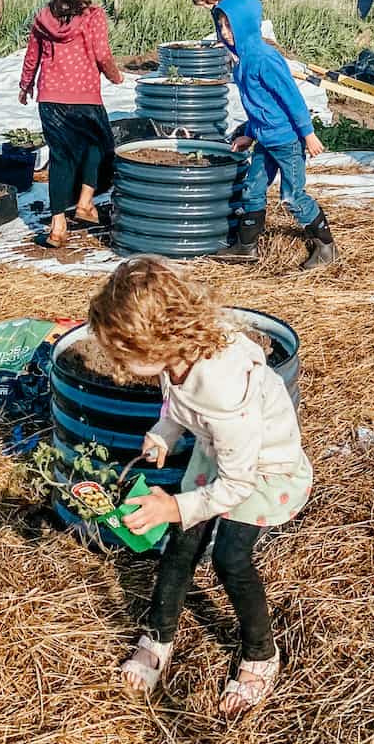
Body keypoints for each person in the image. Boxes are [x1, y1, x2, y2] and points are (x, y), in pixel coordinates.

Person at [89, 256, 312, 717]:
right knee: (182, 544)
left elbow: (237, 483)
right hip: (221, 456)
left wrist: (174, 506)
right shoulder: (178, 358)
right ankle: (159, 635)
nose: (119, 364)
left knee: (231, 558)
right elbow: (176, 404)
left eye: (123, 351)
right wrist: (164, 434)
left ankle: (260, 654)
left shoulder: (224, 391)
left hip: (262, 470)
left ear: (157, 339)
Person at [212, 0, 339, 271]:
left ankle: (326, 247)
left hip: (288, 141)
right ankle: (246, 247)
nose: (224, 32)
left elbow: (291, 98)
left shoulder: (264, 59)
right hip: (265, 140)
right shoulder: (241, 63)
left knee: (293, 196)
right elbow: (260, 107)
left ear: (245, 25)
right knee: (253, 188)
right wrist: (249, 133)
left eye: (230, 25)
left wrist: (308, 134)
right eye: (220, 25)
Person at [18, 0, 123, 248]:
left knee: (61, 157)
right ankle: (85, 203)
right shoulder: (93, 15)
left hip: (51, 99)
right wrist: (115, 75)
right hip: (84, 97)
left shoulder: (43, 17)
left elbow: (32, 57)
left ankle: (57, 226)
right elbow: (102, 54)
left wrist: (26, 86)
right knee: (99, 146)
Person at [190, 0, 279, 47]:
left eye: (204, 4)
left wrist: (225, 43)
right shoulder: (214, 9)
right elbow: (219, 28)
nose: (205, 7)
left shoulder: (226, 3)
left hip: (254, 29)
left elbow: (237, 25)